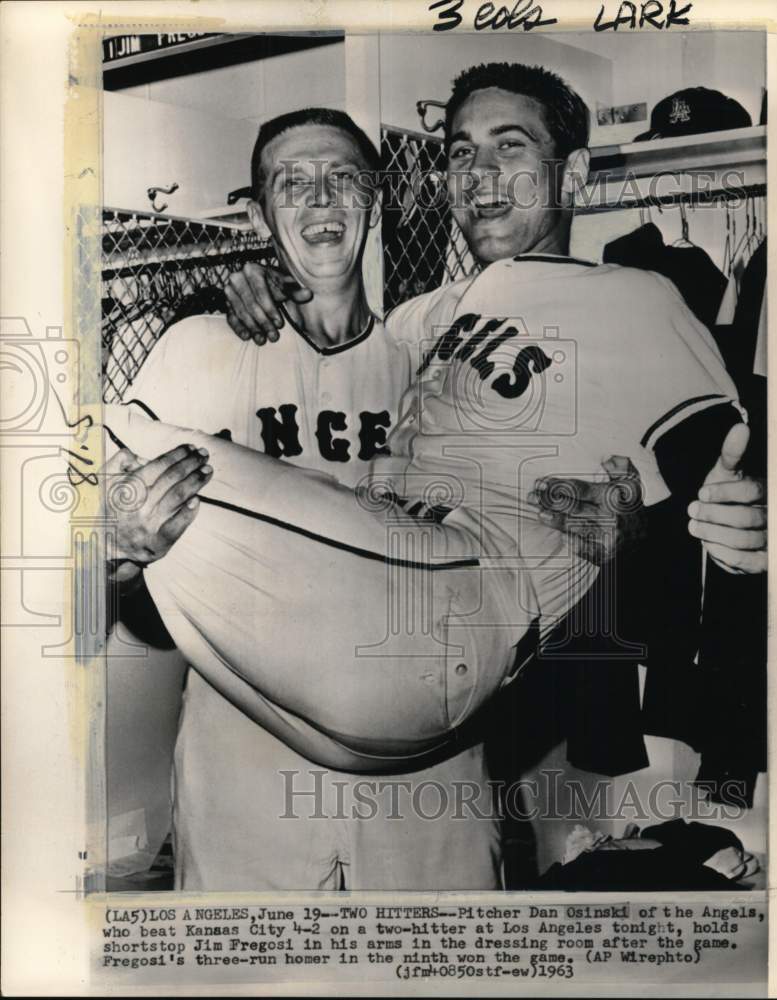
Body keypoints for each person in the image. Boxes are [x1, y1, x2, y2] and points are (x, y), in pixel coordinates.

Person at [106, 109, 502, 891]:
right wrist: (120, 542)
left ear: (374, 202)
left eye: (344, 178)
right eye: (293, 183)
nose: (321, 198)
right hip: (245, 777)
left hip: (427, 787)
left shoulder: (439, 364)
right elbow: (109, 560)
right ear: (257, 216)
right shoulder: (197, 351)